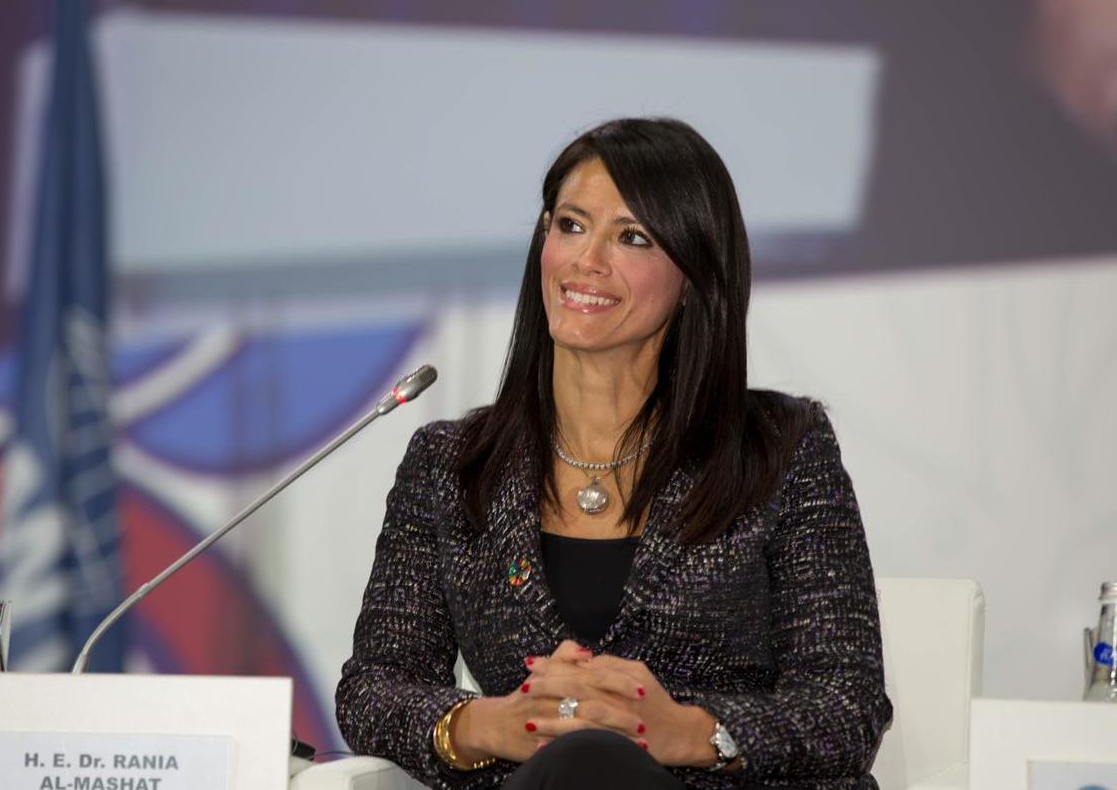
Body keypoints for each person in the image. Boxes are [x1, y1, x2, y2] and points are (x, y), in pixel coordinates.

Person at [336, 118, 892, 789]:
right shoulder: (452, 465)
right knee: (575, 763)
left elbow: (846, 705)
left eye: (632, 237)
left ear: (693, 273)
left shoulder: (780, 450)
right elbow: (375, 686)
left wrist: (687, 732)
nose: (587, 261)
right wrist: (491, 724)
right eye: (571, 225)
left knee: (591, 761)